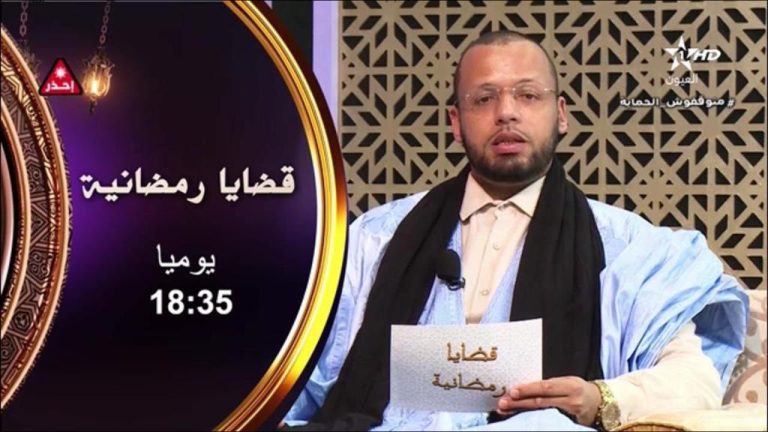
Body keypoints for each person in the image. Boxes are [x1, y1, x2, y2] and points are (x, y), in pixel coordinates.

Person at [283, 30, 748, 431]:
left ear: (560, 114)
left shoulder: (627, 247)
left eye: (528, 95)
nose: (506, 113)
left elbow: (693, 378)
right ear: (456, 123)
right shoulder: (375, 239)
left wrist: (599, 398)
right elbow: (301, 375)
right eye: (484, 99)